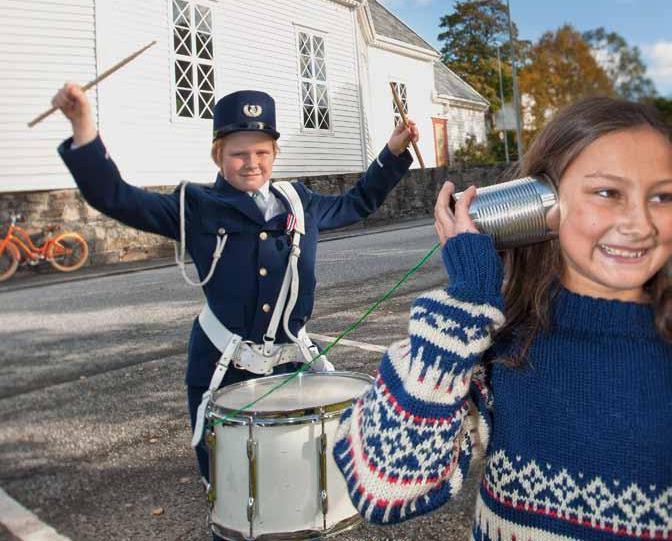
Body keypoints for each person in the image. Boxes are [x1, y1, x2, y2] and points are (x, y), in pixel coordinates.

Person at [334, 96, 672, 541]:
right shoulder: (498, 345)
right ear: (540, 202)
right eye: (608, 192)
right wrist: (466, 301)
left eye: (662, 195)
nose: (639, 223)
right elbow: (384, 485)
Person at [51, 83, 418, 486]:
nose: (251, 163)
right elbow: (116, 197)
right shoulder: (196, 206)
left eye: (262, 152)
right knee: (229, 487)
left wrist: (393, 152)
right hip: (220, 369)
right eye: (238, 153)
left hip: (291, 366)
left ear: (275, 154)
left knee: (293, 484)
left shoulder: (300, 202)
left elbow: (359, 201)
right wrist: (83, 125)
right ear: (218, 156)